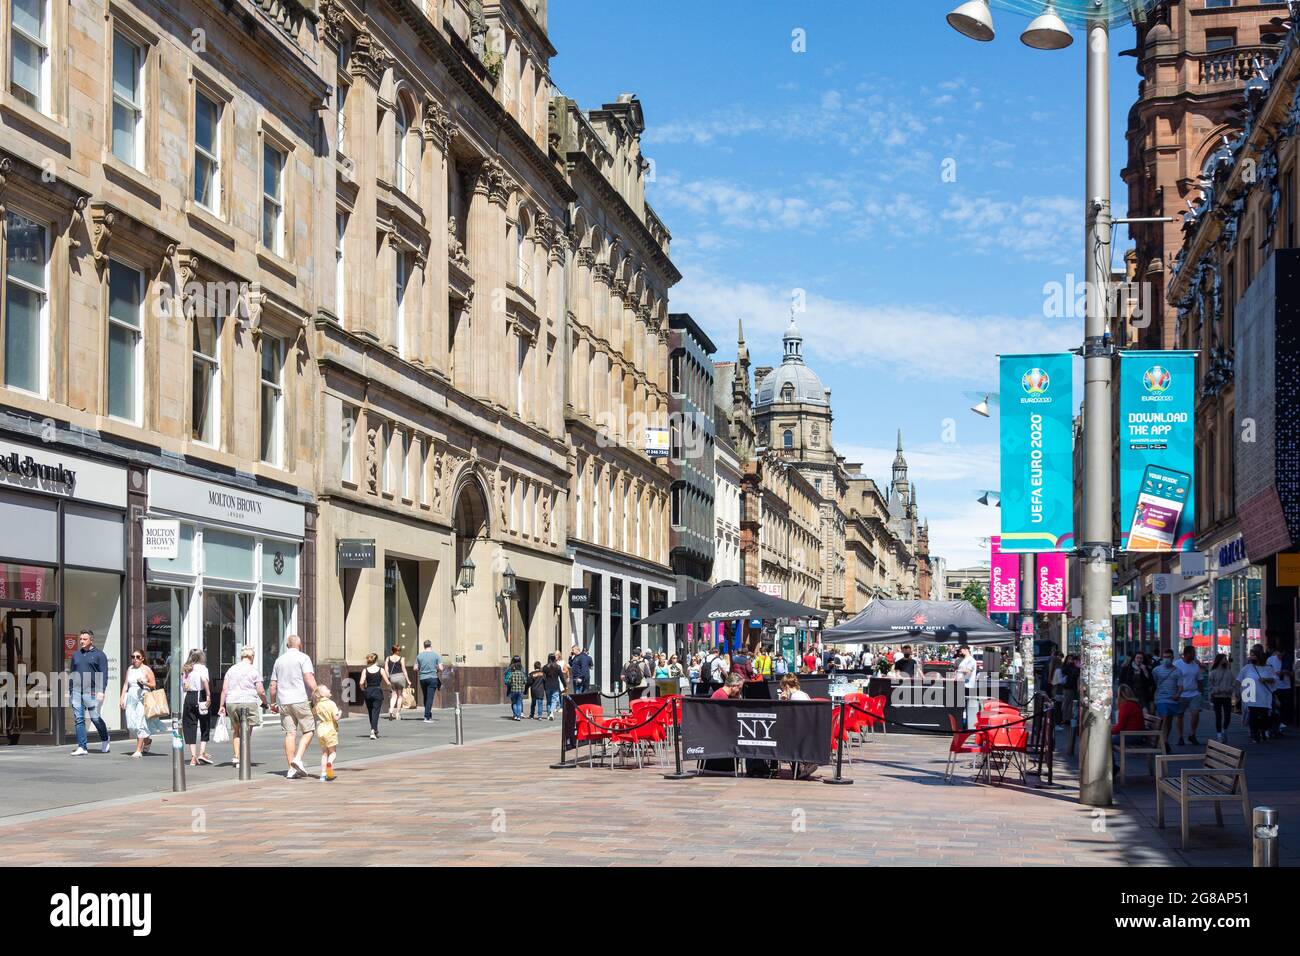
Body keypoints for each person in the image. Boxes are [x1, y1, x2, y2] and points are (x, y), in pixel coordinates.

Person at [269, 634, 318, 779]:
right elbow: (308, 677)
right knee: (309, 730)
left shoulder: (279, 660)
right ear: (300, 645)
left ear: (287, 646)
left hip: (284, 701)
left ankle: (291, 768)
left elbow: (272, 685)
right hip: (300, 699)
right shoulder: (303, 657)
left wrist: (273, 703)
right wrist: (318, 694)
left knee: (290, 734)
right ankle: (298, 759)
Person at [218, 645, 267, 766]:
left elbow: (224, 689)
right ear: (252, 657)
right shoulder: (254, 670)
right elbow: (260, 690)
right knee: (246, 731)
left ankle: (236, 756)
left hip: (232, 701)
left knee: (236, 730)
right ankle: (243, 757)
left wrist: (221, 705)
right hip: (248, 701)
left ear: (241, 657)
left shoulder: (231, 669)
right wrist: (265, 702)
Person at [68, 629, 110, 756]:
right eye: (80, 639)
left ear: (91, 640)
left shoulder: (99, 655)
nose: (81, 641)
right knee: (79, 719)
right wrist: (70, 690)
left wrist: (101, 690)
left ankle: (105, 738)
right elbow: (72, 672)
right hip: (76, 691)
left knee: (95, 718)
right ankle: (82, 747)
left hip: (92, 691)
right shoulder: (76, 655)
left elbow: (103, 674)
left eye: (84, 639)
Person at [120, 648, 165, 757]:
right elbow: (126, 684)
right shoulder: (130, 669)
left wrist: (144, 682)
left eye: (137, 657)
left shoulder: (146, 669)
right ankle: (147, 740)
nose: (135, 659)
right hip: (131, 697)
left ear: (142, 658)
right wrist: (122, 698)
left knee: (140, 722)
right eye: (133, 657)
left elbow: (153, 684)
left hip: (143, 698)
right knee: (132, 724)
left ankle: (138, 750)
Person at [1237, 645, 1277, 744]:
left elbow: (1274, 679)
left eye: (1253, 655)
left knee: (1264, 716)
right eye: (1251, 655)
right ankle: (1254, 734)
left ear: (1259, 656)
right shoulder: (1247, 668)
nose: (1251, 657)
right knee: (1253, 716)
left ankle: (1262, 731)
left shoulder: (1268, 668)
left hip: (1264, 696)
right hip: (1251, 696)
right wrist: (1238, 692)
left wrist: (1266, 679)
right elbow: (1239, 679)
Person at [181, 649, 214, 767]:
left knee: (189, 725)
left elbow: (184, 687)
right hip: (201, 695)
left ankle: (193, 757)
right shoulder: (202, 668)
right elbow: (205, 681)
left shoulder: (186, 668)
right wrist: (209, 695)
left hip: (189, 696)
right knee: (205, 724)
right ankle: (202, 752)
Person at [1173, 645, 1205, 746]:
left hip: (1194, 693)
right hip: (1181, 694)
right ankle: (1180, 736)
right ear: (1186, 654)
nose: (1194, 655)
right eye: (1193, 653)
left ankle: (1192, 734)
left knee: (1195, 713)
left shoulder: (1195, 665)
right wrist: (1175, 692)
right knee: (1180, 715)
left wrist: (1201, 691)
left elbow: (1199, 679)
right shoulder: (1177, 664)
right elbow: (1173, 679)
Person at [1110, 684, 1145, 770]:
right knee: (1106, 739)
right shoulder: (1134, 704)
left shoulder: (1126, 706)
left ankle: (1113, 767)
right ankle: (1111, 767)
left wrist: (1108, 732)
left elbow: (1120, 727)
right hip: (1136, 734)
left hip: (1131, 736)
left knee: (1105, 741)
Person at [1152, 649, 1182, 743]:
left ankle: (1165, 740)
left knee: (1169, 720)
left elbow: (1181, 686)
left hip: (1173, 699)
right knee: (1164, 718)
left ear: (1173, 658)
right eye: (1165, 657)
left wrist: (1177, 695)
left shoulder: (1178, 671)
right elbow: (1153, 684)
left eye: (1168, 657)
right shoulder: (1156, 670)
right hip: (1161, 699)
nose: (1166, 659)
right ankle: (1163, 741)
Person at [312, 685, 340, 782]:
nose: (329, 690)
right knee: (332, 752)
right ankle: (330, 763)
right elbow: (335, 718)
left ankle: (323, 774)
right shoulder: (331, 703)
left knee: (324, 753)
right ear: (323, 694)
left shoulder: (318, 704)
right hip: (330, 728)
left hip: (321, 729)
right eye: (327, 689)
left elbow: (313, 713)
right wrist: (339, 713)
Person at [359, 652, 390, 739]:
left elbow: (361, 682)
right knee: (376, 711)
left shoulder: (365, 670)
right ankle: (373, 730)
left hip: (368, 691)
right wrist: (390, 688)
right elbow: (387, 682)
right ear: (376, 660)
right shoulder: (381, 670)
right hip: (377, 691)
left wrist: (363, 689)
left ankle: (374, 730)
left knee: (370, 711)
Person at [1207, 653, 1236, 743]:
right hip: (1217, 697)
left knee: (1228, 716)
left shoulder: (1229, 672)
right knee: (1218, 716)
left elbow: (1233, 683)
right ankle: (1219, 734)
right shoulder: (1213, 672)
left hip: (1227, 696)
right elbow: (1209, 685)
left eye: (1226, 659)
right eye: (1224, 659)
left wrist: (1230, 689)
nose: (1226, 660)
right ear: (1219, 660)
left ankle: (1225, 729)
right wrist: (1216, 690)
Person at [1265, 642, 1292, 734]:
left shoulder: (1288, 660)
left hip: (1285, 686)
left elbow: (1294, 673)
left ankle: (1280, 723)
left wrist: (1286, 672)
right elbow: (1267, 671)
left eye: (1282, 654)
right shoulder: (1270, 659)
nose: (1280, 656)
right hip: (1274, 686)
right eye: (1279, 654)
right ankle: (1276, 725)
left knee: (1284, 706)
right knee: (1275, 707)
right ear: (1276, 652)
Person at [414, 640, 444, 724]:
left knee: (426, 697)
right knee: (430, 698)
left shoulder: (419, 656)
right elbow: (441, 668)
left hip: (422, 678)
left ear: (424, 646)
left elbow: (415, 668)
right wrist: (436, 667)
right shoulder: (436, 655)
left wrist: (422, 668)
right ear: (431, 645)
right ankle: (426, 717)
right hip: (432, 678)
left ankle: (428, 715)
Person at [953, 644, 979, 729]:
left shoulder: (971, 660)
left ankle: (964, 725)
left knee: (963, 705)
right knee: (961, 705)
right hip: (962, 684)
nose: (960, 652)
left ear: (966, 649)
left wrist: (958, 671)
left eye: (961, 650)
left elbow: (968, 671)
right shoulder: (965, 659)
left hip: (967, 685)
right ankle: (961, 724)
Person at [385, 645, 408, 722]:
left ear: (392, 650)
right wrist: (408, 680)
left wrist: (389, 677)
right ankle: (398, 713)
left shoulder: (388, 658)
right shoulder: (402, 658)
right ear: (398, 651)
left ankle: (391, 711)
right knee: (400, 696)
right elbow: (404, 670)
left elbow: (386, 669)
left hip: (392, 677)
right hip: (400, 677)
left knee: (393, 695)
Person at [542, 653, 565, 720]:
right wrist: (565, 685)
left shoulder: (545, 667)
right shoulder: (558, 667)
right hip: (555, 685)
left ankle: (549, 714)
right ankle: (551, 713)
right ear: (554, 659)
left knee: (548, 700)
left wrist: (543, 685)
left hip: (547, 685)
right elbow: (561, 677)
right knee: (554, 700)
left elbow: (543, 678)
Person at [504, 656, 527, 720]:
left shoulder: (509, 668)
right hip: (520, 688)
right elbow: (525, 679)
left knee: (513, 702)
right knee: (519, 702)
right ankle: (519, 714)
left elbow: (506, 679)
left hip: (511, 688)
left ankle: (515, 714)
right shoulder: (521, 668)